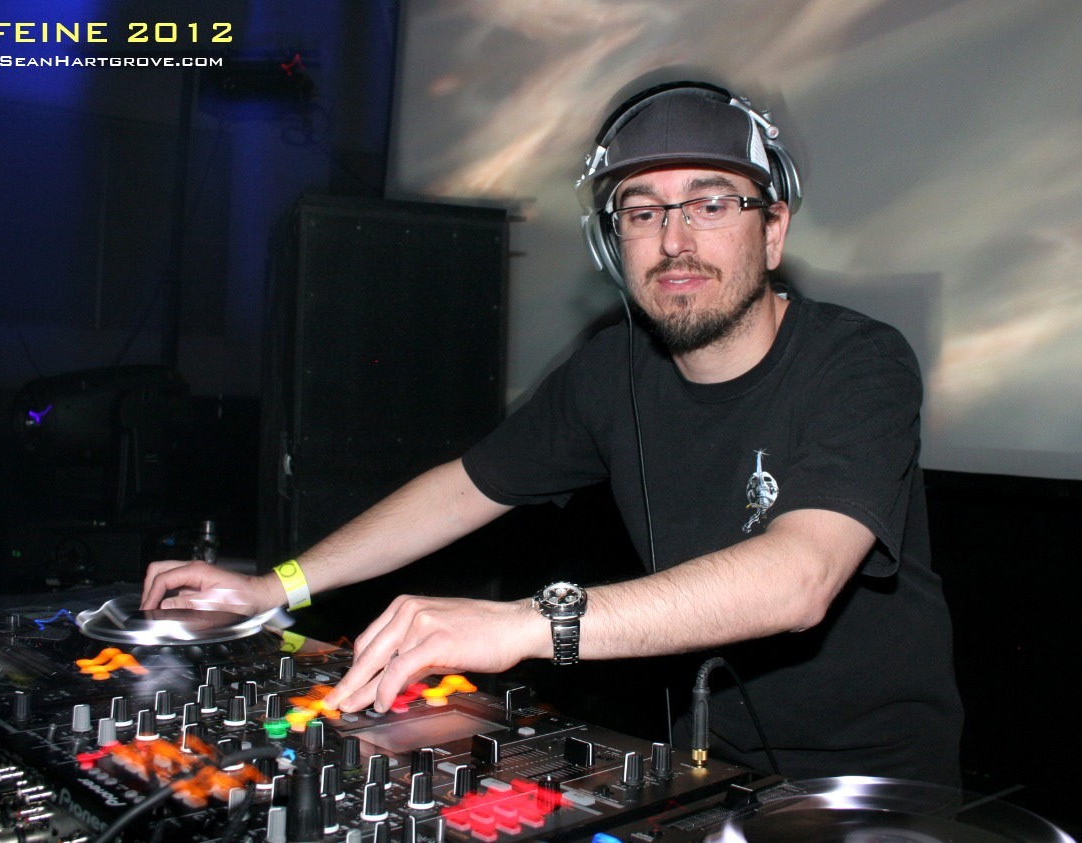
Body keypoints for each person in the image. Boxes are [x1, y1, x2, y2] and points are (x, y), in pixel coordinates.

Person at [142, 81, 963, 786]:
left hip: (874, 784)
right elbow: (462, 489)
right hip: (703, 763)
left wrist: (525, 622)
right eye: (642, 211)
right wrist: (275, 585)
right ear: (613, 244)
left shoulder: (860, 362)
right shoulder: (608, 373)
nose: (675, 240)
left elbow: (799, 579)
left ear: (773, 230)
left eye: (711, 203)